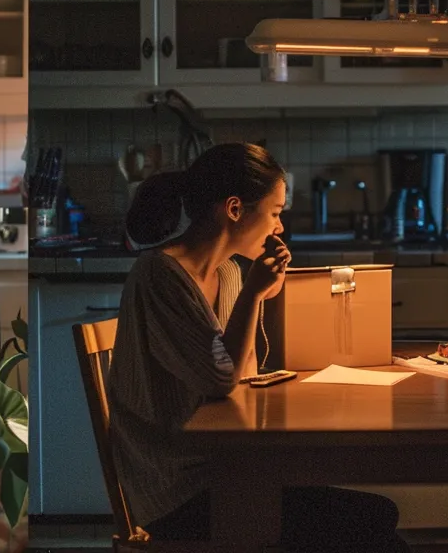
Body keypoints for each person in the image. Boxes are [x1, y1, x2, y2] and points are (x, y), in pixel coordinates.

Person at [106, 142, 410, 551]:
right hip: (179, 491)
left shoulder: (229, 273)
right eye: (275, 212)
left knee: (379, 519)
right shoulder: (160, 275)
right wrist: (253, 294)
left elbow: (245, 372)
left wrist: (262, 294)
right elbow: (221, 379)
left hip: (225, 467)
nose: (279, 227)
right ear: (235, 209)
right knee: (375, 519)